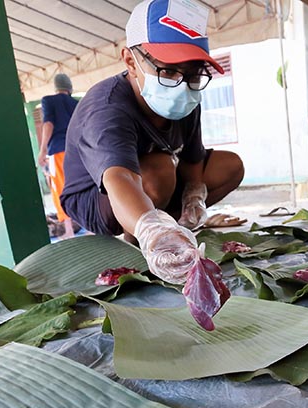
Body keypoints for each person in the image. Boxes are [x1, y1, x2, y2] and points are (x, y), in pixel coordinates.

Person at [61, 0, 244, 283]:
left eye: (194, 73)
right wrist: (150, 231)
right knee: (158, 170)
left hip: (156, 181)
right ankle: (144, 238)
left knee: (230, 166)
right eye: (168, 71)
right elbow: (119, 176)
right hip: (99, 197)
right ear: (131, 61)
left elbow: (193, 159)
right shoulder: (107, 108)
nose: (183, 83)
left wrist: (194, 196)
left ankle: (174, 227)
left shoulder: (187, 98)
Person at [38, 73, 80, 238]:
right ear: (69, 88)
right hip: (77, 151)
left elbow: (48, 124)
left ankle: (69, 231)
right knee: (80, 186)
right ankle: (91, 229)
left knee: (60, 189)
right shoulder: (76, 103)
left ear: (56, 87)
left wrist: (42, 150)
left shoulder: (49, 101)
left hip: (58, 151)